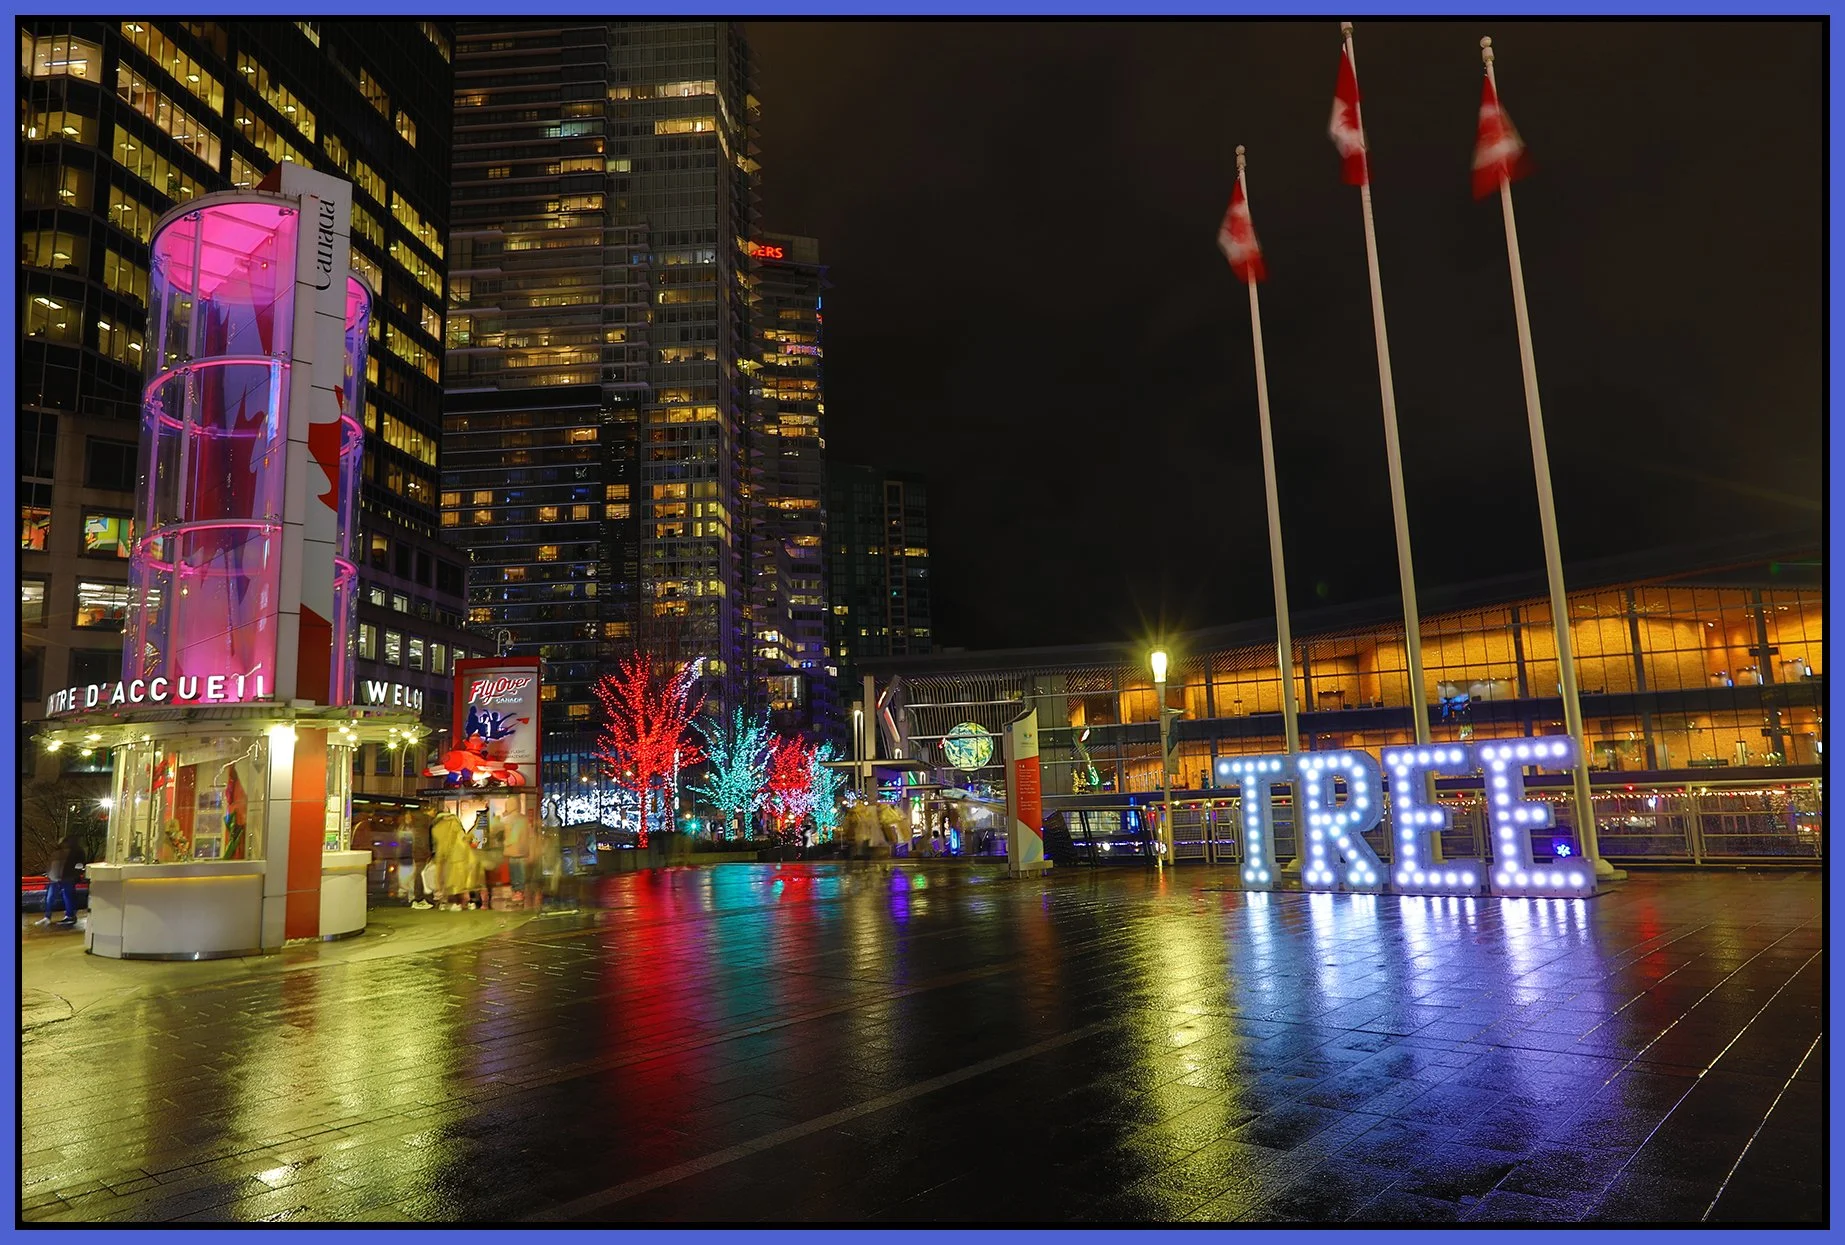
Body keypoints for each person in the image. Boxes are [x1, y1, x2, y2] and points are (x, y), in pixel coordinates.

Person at [41, 833, 86, 928]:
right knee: (51, 898)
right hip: (55, 878)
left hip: (67, 878)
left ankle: (69, 916)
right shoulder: (58, 852)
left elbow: (79, 865)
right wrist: (50, 874)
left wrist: (75, 875)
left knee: (67, 897)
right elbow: (50, 865)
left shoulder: (75, 852)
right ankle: (47, 917)